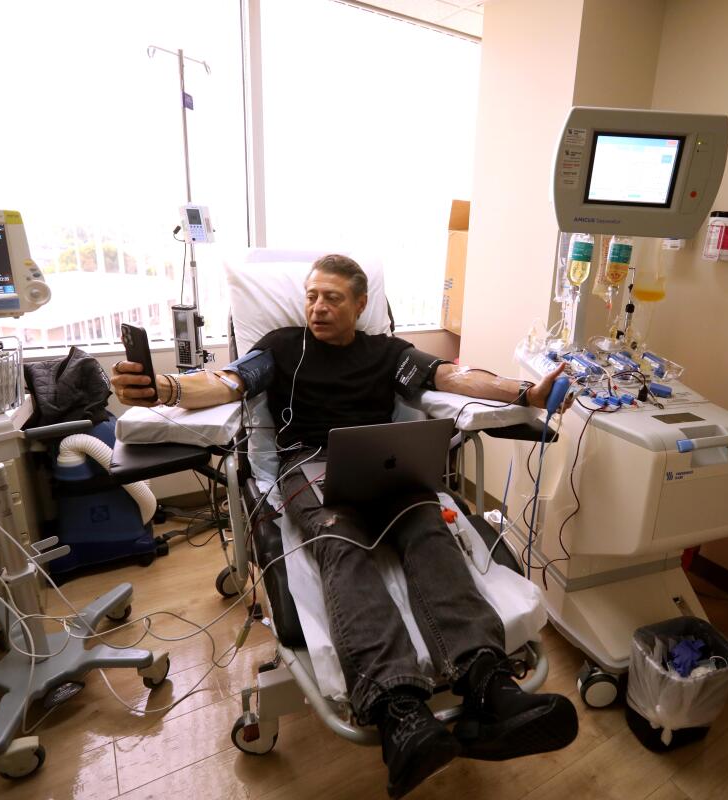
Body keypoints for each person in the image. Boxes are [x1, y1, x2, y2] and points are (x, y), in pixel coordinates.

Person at [111, 254, 577, 798]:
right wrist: (163, 389)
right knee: (340, 541)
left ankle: (489, 686)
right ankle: (398, 710)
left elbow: (452, 374)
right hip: (308, 464)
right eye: (311, 295)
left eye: (332, 297)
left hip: (388, 461)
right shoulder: (282, 348)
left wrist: (526, 393)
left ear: (361, 304)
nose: (318, 306)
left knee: (427, 528)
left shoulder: (387, 354)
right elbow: (228, 381)